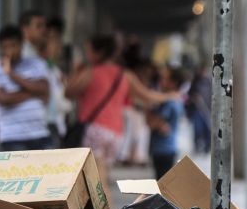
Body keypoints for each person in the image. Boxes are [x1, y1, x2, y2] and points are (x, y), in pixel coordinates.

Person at [64, 34, 176, 185]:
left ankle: (105, 208)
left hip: (95, 130)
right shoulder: (124, 75)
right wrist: (169, 95)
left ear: (99, 52)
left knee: (97, 182)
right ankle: (103, 207)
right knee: (102, 176)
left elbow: (68, 92)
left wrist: (76, 72)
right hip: (115, 134)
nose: (87, 55)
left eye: (89, 51)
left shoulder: (90, 72)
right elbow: (147, 95)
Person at [0, 25, 51, 151]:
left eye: (13, 46)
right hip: (12, 136)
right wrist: (33, 92)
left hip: (39, 133)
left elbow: (44, 89)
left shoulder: (37, 63)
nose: (10, 51)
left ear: (22, 44)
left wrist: (12, 74)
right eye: (5, 47)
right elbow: (3, 99)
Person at [147, 67, 186, 179]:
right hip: (165, 148)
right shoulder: (173, 100)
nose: (160, 82)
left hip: (164, 149)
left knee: (162, 187)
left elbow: (153, 123)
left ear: (173, 83)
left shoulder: (170, 102)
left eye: (164, 79)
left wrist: (148, 111)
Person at [41, 17, 72, 147]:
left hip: (54, 124)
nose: (58, 45)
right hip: (45, 124)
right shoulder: (40, 68)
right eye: (52, 39)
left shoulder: (54, 70)